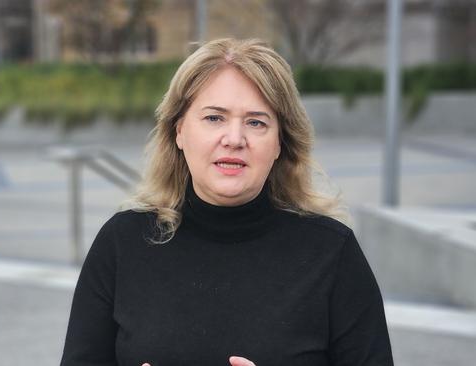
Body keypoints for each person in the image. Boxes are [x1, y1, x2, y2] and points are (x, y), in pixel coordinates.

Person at [60, 38, 394, 366]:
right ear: (179, 131)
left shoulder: (331, 253)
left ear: (280, 143)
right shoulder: (122, 243)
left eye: (255, 122)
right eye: (214, 118)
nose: (234, 139)